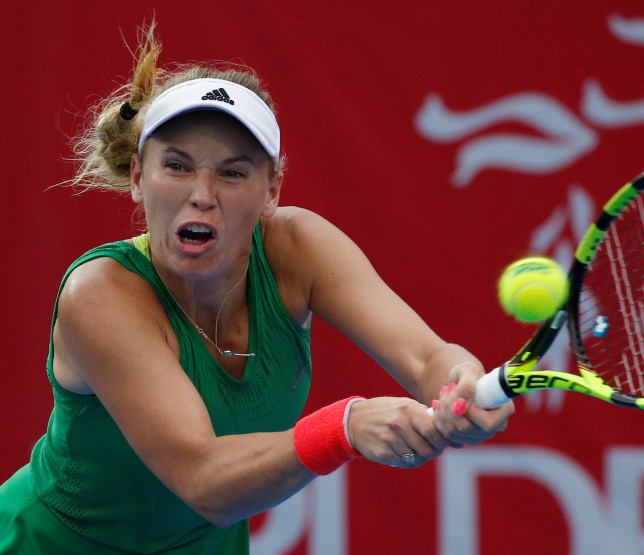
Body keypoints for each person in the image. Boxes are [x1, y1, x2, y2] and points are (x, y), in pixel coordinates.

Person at [0, 22, 513, 555]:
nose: (201, 195)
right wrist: (344, 427)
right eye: (176, 166)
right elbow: (204, 481)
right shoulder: (100, 294)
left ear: (271, 190)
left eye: (233, 173)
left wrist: (462, 386)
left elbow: (428, 357)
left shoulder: (298, 247)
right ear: (136, 177)